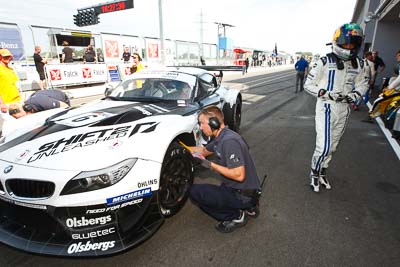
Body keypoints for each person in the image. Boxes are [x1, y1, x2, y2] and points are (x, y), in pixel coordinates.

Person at [304, 23, 368, 193]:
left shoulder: (359, 64)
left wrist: (355, 95)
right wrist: (325, 93)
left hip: (344, 108)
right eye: (346, 43)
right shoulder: (324, 61)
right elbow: (308, 84)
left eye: (353, 44)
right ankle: (314, 173)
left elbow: (363, 84)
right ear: (337, 42)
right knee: (324, 146)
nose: (349, 47)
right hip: (326, 107)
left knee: (333, 146)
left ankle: (323, 171)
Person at [188, 106, 261, 233]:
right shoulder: (221, 137)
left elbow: (239, 176)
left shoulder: (229, 142)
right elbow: (202, 151)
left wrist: (209, 165)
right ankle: (250, 206)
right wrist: (179, 147)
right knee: (220, 187)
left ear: (213, 123)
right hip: (243, 189)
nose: (200, 127)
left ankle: (237, 216)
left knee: (194, 192)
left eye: (202, 123)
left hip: (241, 193)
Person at [0, 48, 21, 112]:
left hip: (17, 101)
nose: (8, 58)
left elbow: (15, 85)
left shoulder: (11, 69)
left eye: (9, 56)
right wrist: (2, 104)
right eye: (5, 56)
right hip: (6, 103)